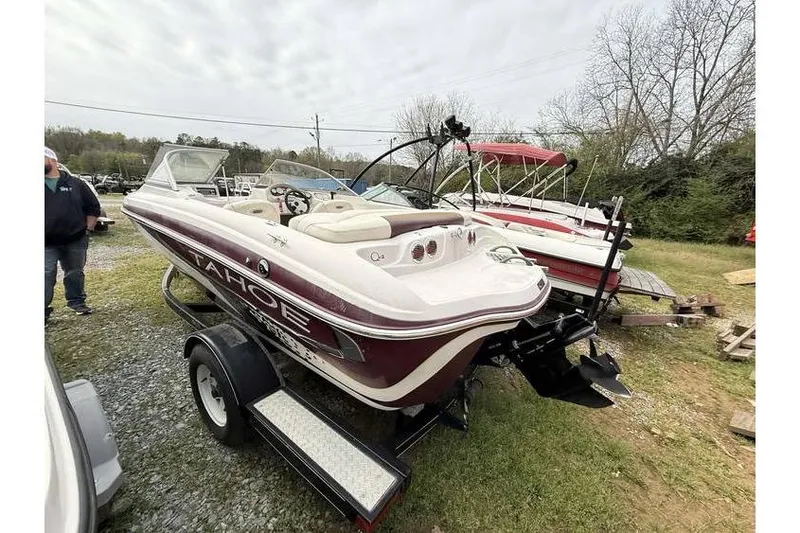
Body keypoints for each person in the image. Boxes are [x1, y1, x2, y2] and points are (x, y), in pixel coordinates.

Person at [45, 147, 101, 322]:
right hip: (45, 242)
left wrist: (87, 229)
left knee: (75, 272)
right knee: (45, 273)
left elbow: (93, 207)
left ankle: (77, 302)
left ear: (52, 161)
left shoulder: (76, 183)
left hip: (75, 239)